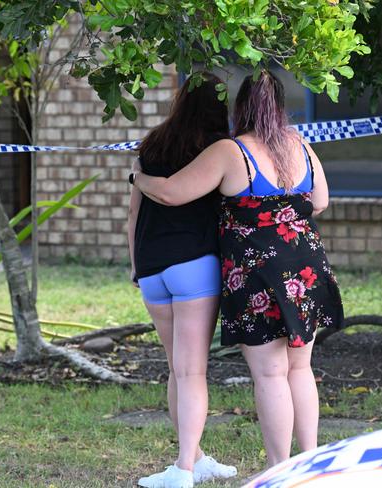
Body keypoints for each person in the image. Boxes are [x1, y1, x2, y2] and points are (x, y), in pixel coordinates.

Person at [131, 70, 344, 469]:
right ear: (280, 108)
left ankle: (280, 469)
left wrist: (137, 177)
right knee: (300, 367)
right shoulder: (300, 145)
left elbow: (173, 193)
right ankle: (310, 464)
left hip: (257, 272)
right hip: (306, 267)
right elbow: (320, 201)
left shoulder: (232, 151)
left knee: (270, 375)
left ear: (240, 106)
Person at [128, 73, 238, 488]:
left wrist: (134, 264)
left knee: (178, 369)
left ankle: (195, 457)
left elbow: (134, 214)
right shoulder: (219, 147)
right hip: (195, 265)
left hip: (152, 265)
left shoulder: (152, 143)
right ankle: (184, 470)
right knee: (191, 372)